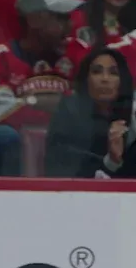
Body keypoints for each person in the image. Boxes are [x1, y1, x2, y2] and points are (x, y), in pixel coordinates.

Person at [0, 0, 89, 174]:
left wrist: (27, 102)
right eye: (60, 18)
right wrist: (58, 104)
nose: (70, 26)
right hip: (15, 153)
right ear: (33, 20)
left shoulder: (80, 53)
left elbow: (90, 106)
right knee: (4, 136)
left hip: (65, 149)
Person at [45, 45, 136, 177]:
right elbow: (60, 167)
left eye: (113, 73)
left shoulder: (130, 116)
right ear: (86, 79)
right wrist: (110, 162)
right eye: (96, 71)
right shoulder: (69, 111)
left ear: (122, 82)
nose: (105, 79)